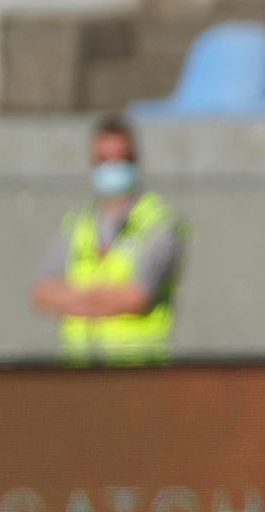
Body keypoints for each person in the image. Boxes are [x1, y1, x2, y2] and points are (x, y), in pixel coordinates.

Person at [30, 113, 185, 366]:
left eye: (120, 159)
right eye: (103, 160)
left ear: (134, 160)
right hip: (80, 370)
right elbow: (42, 293)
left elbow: (137, 296)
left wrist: (75, 300)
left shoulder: (158, 223)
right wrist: (102, 299)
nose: (112, 168)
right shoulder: (78, 224)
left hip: (138, 370)